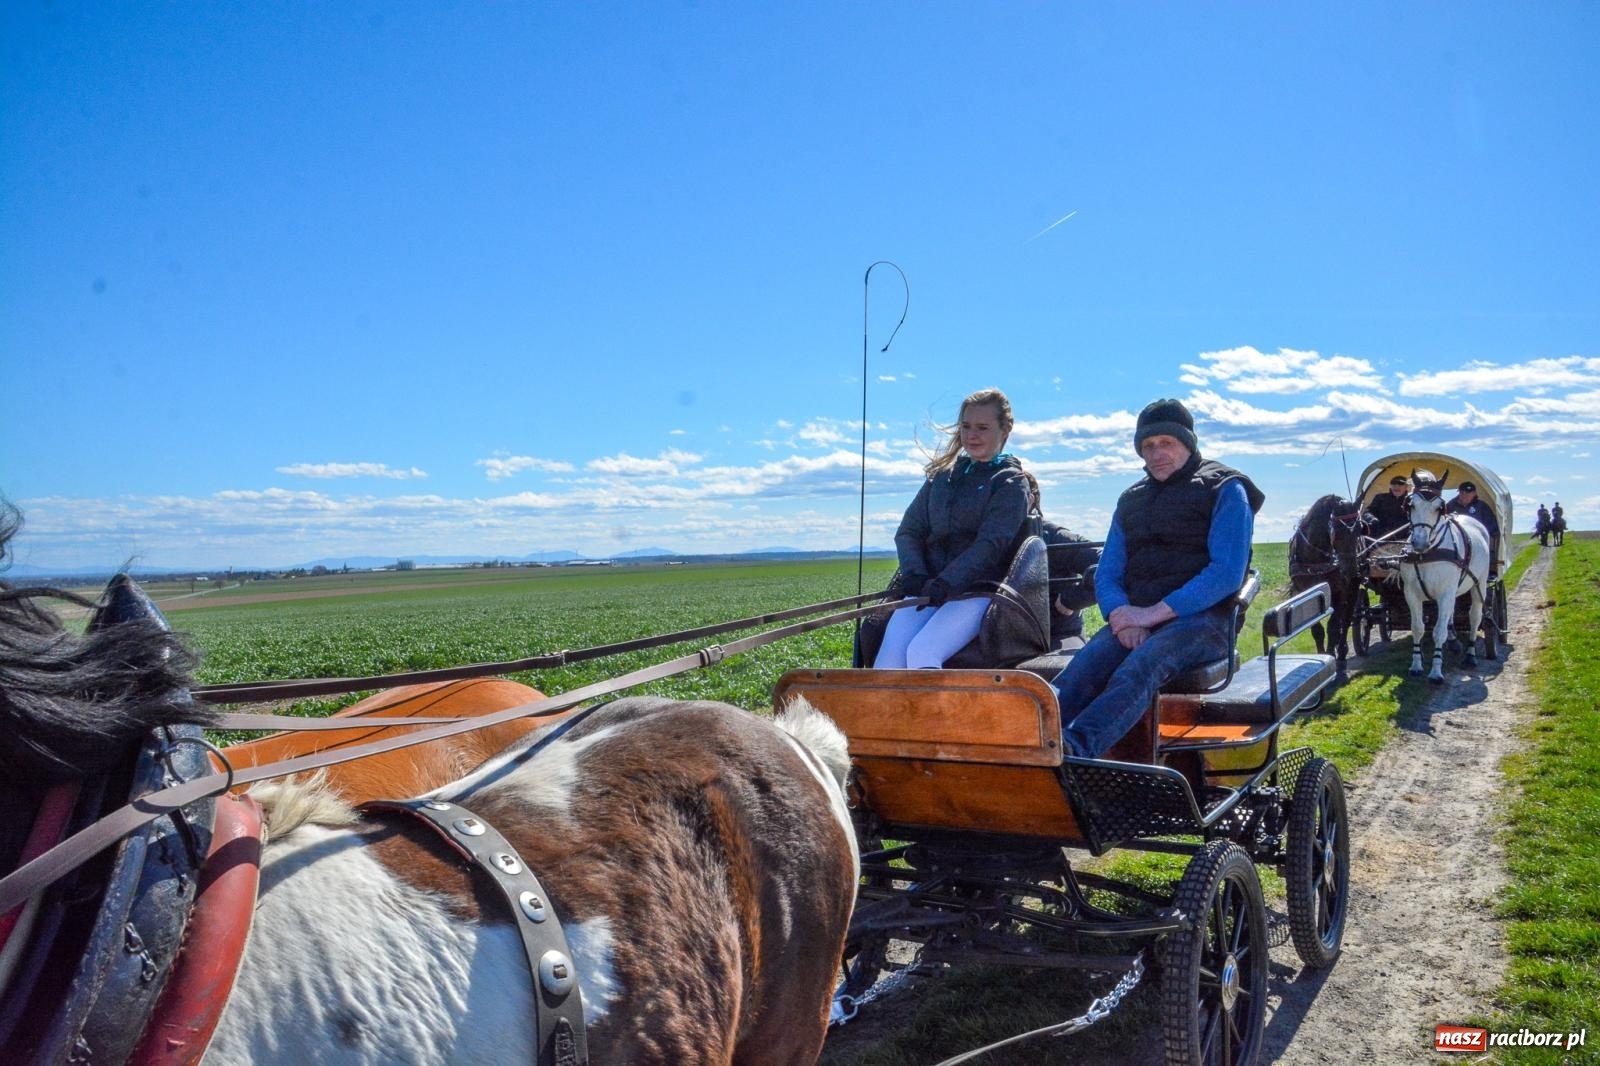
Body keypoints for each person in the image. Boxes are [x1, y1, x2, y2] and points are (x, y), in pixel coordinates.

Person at [1051, 398, 1263, 758]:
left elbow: (1225, 574)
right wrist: (1120, 616)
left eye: (1167, 442)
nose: (1156, 453)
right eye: (1148, 445)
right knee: (1080, 672)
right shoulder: (1131, 499)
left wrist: (1150, 615)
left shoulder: (1226, 489)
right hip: (1135, 617)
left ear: (1188, 443)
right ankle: (1025, 742)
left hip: (1205, 622)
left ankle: (1074, 751)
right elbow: (1108, 573)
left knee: (1140, 667)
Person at [875, 389, 1030, 668]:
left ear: (1005, 430)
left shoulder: (1010, 483)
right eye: (966, 426)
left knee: (923, 652)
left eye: (982, 428)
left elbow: (990, 545)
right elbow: (908, 531)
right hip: (928, 588)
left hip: (977, 591)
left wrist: (948, 582)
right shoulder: (941, 478)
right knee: (887, 663)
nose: (972, 435)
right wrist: (916, 575)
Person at [1019, 470, 1102, 645]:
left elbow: (1105, 563)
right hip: (1000, 638)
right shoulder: (982, 540)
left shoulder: (1055, 536)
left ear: (1031, 499)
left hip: (1059, 634)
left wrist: (1073, 599)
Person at [1446, 480, 1500, 571]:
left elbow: (1492, 529)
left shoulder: (1481, 507)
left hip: (1477, 544)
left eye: (1468, 493)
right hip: (1456, 544)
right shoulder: (1450, 506)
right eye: (1462, 492)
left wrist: (1489, 548)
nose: (1464, 495)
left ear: (1474, 493)